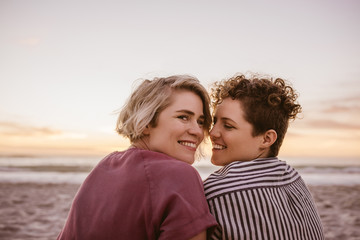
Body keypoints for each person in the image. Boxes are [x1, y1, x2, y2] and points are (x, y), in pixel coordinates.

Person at [57, 75, 218, 240]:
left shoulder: (104, 166)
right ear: (146, 122)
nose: (197, 131)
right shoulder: (181, 175)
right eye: (183, 117)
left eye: (200, 121)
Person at [204, 73, 324, 240]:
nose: (212, 133)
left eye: (228, 126)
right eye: (214, 122)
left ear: (267, 139)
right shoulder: (294, 179)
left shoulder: (215, 191)